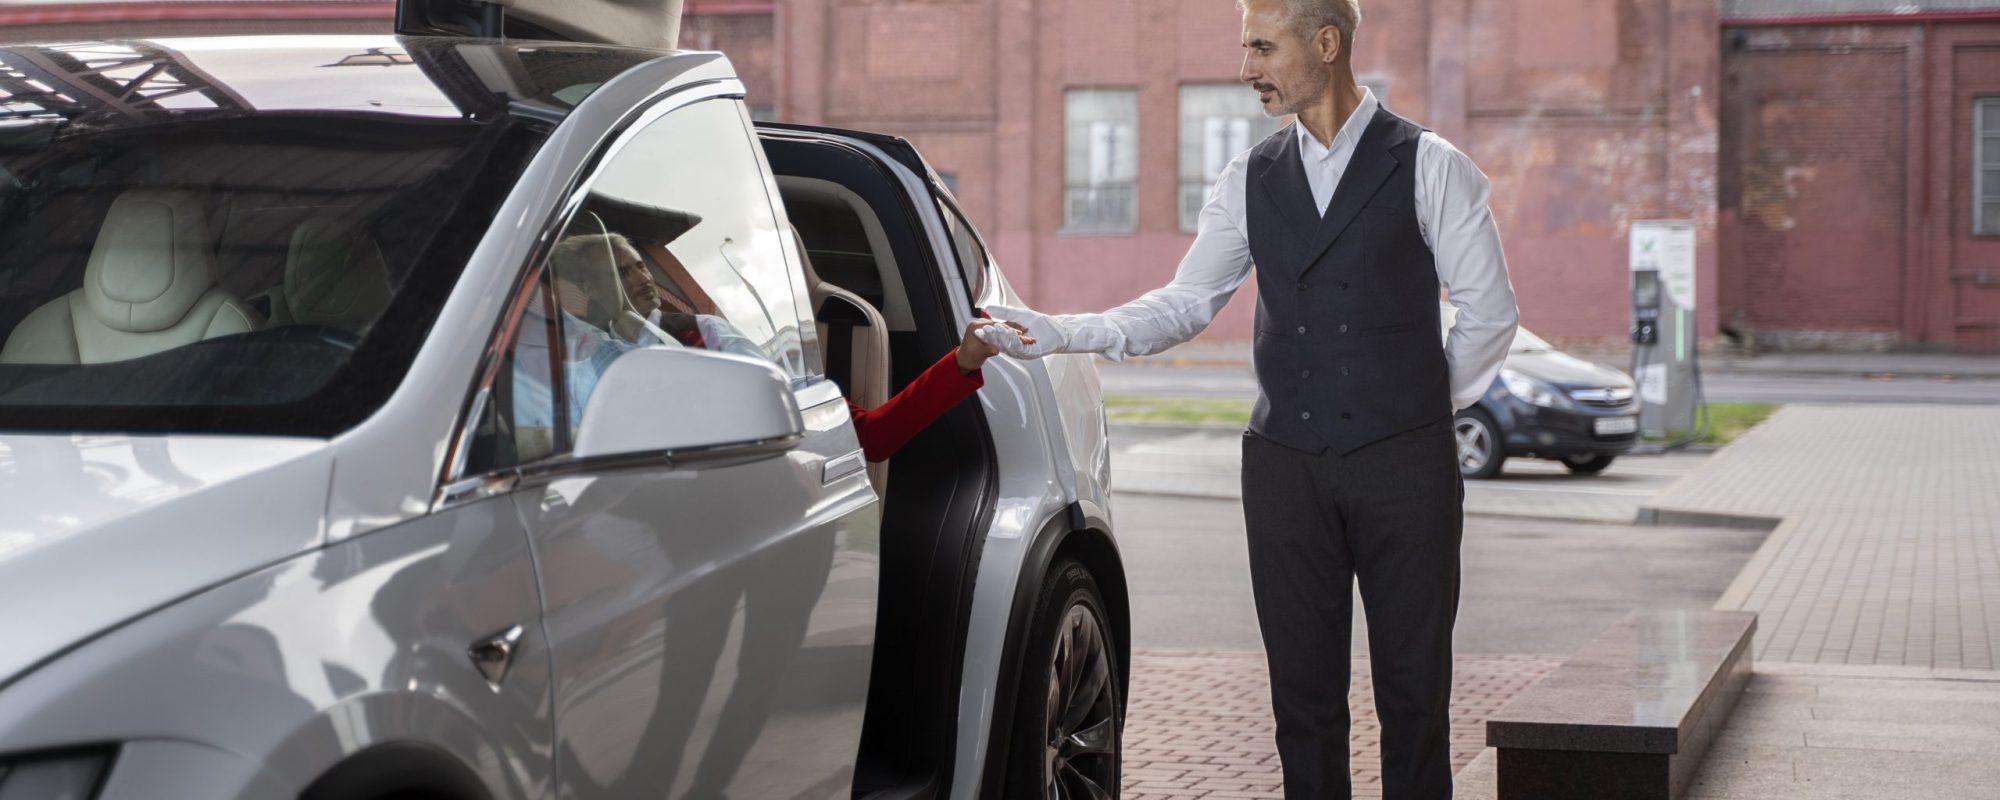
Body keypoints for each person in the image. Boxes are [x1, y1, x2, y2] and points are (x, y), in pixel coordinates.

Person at [984, 1, 1519, 797]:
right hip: (1285, 472)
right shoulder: (1250, 178)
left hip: (1406, 469)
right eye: (1246, 48)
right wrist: (1060, 332)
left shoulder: (1431, 164)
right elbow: (1185, 305)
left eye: (1263, 47)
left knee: (1415, 699)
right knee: (1301, 705)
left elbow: (1491, 313)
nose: (1247, 70)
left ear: (1327, 43)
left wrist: (1416, 407)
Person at [552, 229, 1028, 462]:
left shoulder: (703, 334)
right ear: (584, 290)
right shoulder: (571, 355)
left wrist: (961, 363)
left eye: (639, 264)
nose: (639, 277)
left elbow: (868, 436)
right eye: (620, 271)